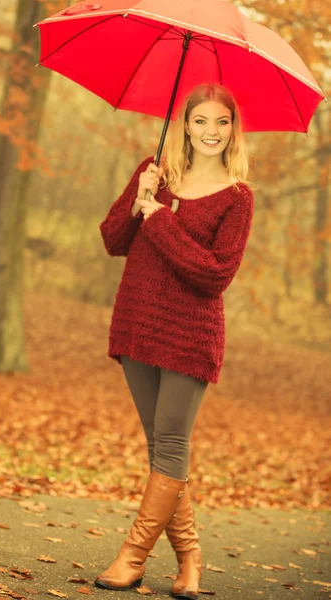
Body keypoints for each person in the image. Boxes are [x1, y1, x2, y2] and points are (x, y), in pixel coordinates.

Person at [95, 83, 254, 600]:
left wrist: (160, 219)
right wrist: (140, 196)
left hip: (190, 334)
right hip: (138, 322)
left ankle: (132, 558)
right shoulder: (156, 174)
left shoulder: (237, 197)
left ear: (233, 130)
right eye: (201, 121)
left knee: (170, 443)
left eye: (221, 122)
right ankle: (189, 563)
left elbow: (213, 273)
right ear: (185, 125)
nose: (211, 131)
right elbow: (114, 240)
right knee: (161, 447)